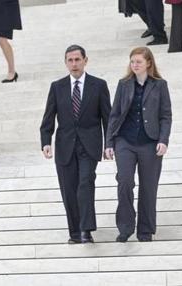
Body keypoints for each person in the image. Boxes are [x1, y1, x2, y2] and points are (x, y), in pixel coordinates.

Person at [39, 45, 111, 244]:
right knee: (68, 189)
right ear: (65, 63)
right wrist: (46, 141)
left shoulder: (99, 85)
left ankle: (86, 230)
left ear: (85, 60)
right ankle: (75, 233)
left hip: (89, 145)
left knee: (85, 184)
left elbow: (108, 117)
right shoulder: (57, 87)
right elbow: (48, 117)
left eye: (77, 60)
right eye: (70, 60)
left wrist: (109, 143)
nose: (74, 64)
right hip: (65, 146)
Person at [105, 47, 172, 243]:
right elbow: (114, 114)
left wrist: (163, 140)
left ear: (148, 63)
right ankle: (125, 228)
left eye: (139, 62)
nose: (135, 65)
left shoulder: (160, 85)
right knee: (124, 182)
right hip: (125, 141)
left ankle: (145, 231)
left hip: (150, 143)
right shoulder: (124, 84)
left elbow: (166, 116)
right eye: (132, 61)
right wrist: (109, 142)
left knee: (148, 187)